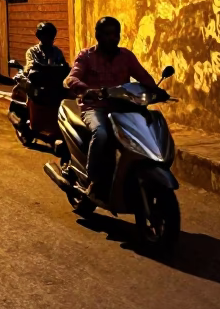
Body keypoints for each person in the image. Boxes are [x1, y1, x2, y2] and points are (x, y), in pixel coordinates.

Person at [65, 16, 165, 196]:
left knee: (147, 125)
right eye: (108, 34)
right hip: (95, 107)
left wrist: (157, 90)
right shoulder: (86, 56)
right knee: (101, 133)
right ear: (98, 35)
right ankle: (93, 179)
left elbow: (143, 76)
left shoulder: (126, 56)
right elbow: (72, 78)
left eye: (116, 34)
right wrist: (86, 90)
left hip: (122, 107)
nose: (113, 38)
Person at [25, 22, 69, 106]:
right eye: (46, 36)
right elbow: (31, 68)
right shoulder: (33, 51)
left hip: (54, 87)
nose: (49, 39)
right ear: (40, 36)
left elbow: (64, 67)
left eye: (51, 36)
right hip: (38, 87)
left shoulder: (57, 52)